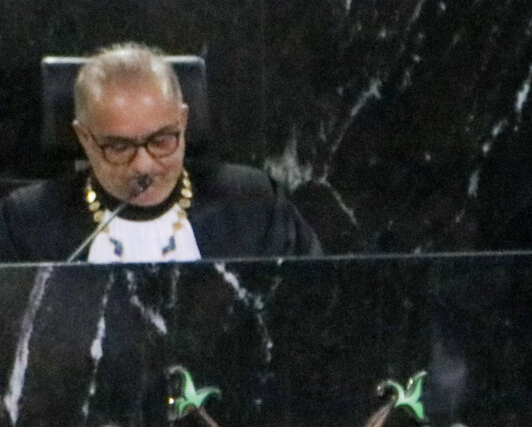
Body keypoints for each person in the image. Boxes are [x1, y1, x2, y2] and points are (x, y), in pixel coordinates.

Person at [0, 43, 319, 263]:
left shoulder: (254, 204)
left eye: (162, 141)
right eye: (119, 147)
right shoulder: (26, 222)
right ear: (84, 137)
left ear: (182, 121)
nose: (144, 165)